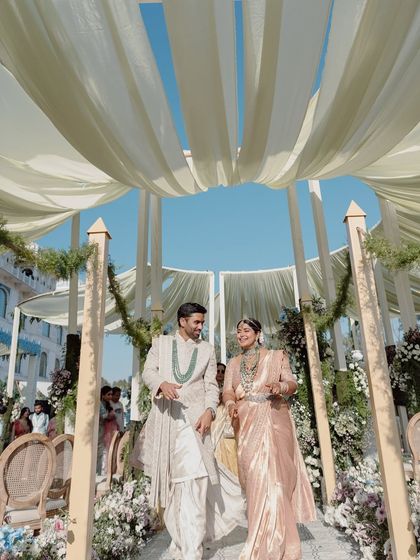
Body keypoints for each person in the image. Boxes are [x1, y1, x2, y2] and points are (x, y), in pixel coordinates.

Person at [133, 302, 240, 560]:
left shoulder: (206, 349)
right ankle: (181, 542)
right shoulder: (161, 344)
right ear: (182, 321)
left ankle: (193, 551)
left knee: (198, 483)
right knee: (173, 489)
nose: (201, 327)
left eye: (202, 322)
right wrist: (161, 384)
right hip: (167, 425)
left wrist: (210, 412)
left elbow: (212, 387)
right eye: (196, 322)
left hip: (196, 426)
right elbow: (148, 372)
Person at [223, 318, 316, 560]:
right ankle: (258, 536)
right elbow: (227, 391)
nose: (241, 334)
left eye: (245, 330)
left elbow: (292, 383)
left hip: (274, 419)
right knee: (254, 481)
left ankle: (283, 544)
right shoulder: (233, 363)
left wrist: (280, 387)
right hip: (246, 423)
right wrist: (231, 403)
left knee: (276, 481)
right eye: (238, 331)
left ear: (258, 333)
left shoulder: (277, 356)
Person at [211, 362, 239, 477]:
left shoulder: (229, 387)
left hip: (225, 418)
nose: (220, 374)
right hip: (214, 418)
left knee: (229, 448)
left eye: (223, 371)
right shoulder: (209, 387)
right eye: (218, 371)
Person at [97, 385, 118, 475]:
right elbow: (103, 416)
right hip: (99, 429)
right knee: (99, 451)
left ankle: (99, 472)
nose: (110, 397)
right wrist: (110, 415)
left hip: (104, 429)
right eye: (108, 394)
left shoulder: (107, 404)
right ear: (103, 395)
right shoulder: (100, 404)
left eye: (111, 394)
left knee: (102, 451)